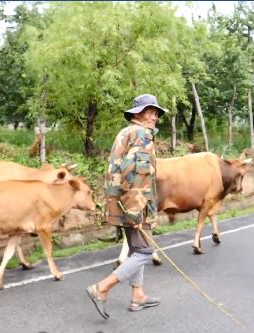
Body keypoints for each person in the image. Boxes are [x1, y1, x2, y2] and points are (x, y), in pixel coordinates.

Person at [86, 94, 166, 319]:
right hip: (134, 203)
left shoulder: (126, 132)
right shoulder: (141, 135)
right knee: (145, 251)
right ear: (137, 113)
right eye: (149, 111)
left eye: (156, 112)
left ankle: (138, 295)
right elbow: (136, 174)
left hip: (121, 202)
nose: (154, 116)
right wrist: (135, 211)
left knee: (135, 249)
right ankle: (101, 288)